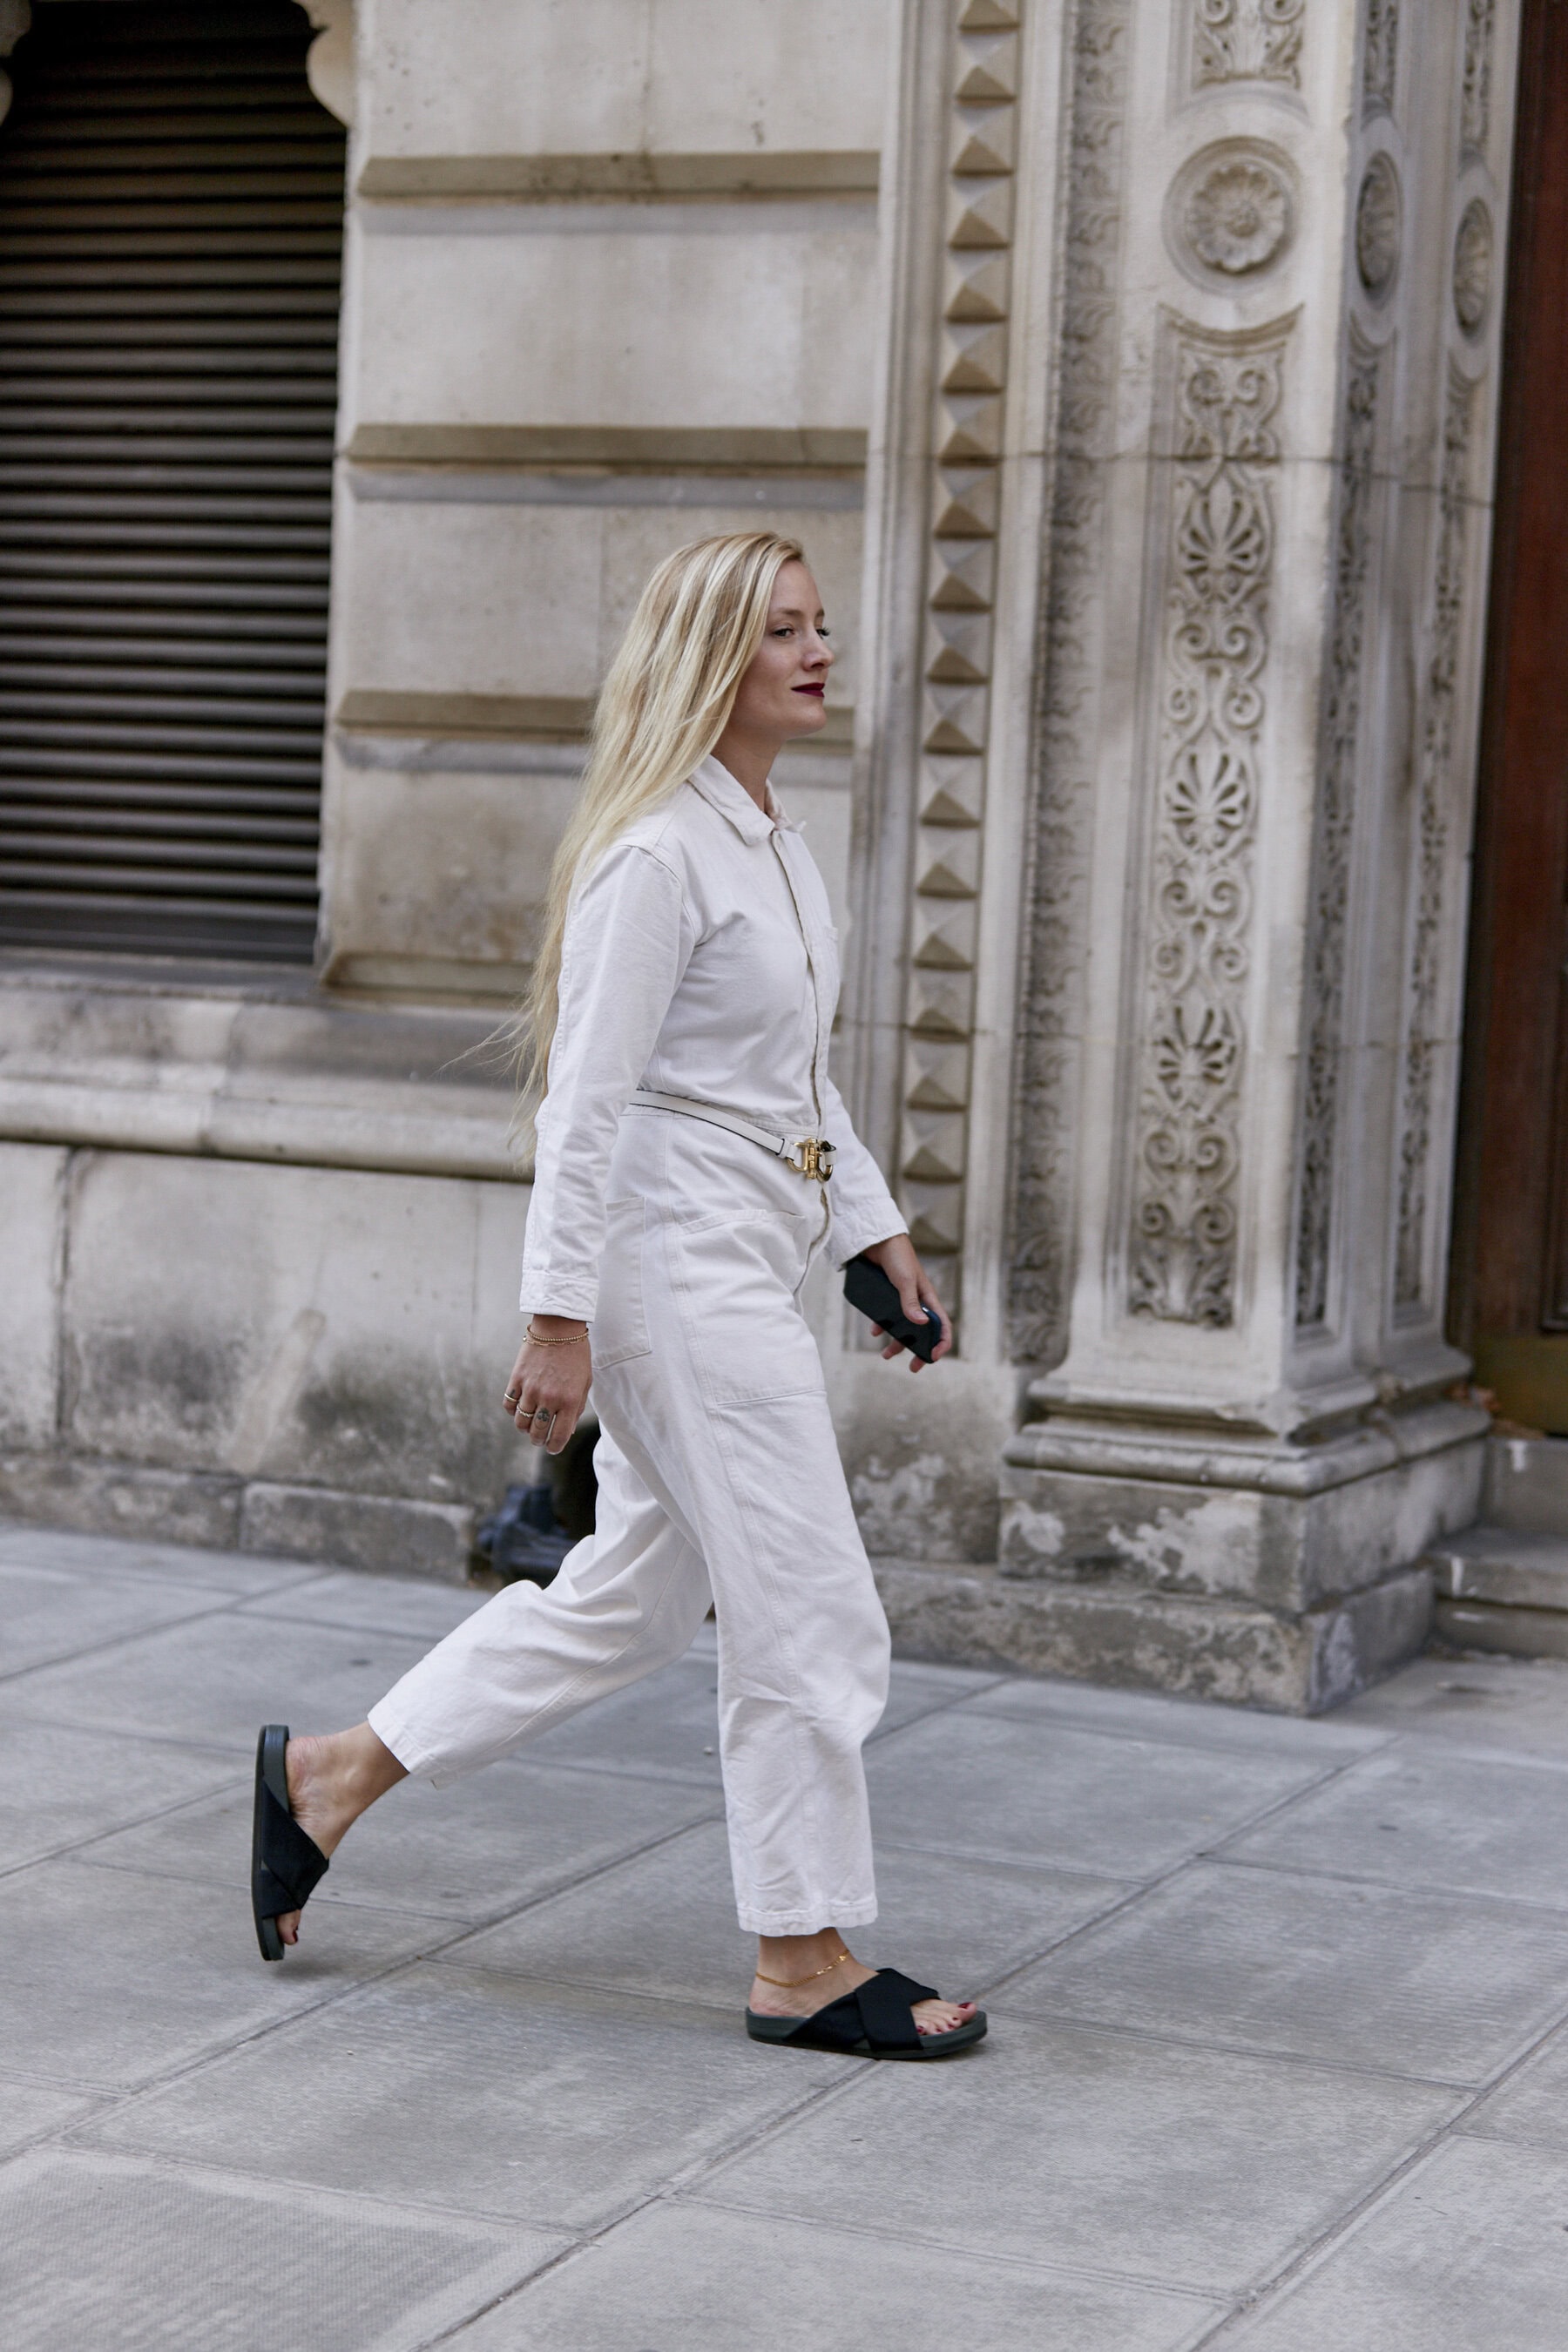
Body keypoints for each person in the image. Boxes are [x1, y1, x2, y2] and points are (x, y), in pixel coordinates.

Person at [250, 531, 986, 2060]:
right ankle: (800, 1957)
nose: (817, 650)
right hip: (673, 1267)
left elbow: (791, 1081)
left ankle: (330, 1776)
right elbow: (585, 1105)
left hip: (741, 1248)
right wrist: (558, 1315)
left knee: (633, 1601)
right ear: (710, 654)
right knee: (809, 1607)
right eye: (780, 629)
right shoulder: (657, 854)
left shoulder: (771, 841)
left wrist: (872, 1235)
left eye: (819, 624)